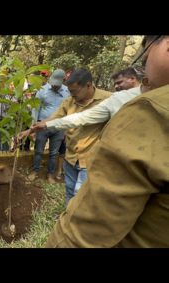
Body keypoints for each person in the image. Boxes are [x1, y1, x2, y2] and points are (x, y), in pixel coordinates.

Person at [46, 35, 169, 247]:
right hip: (72, 156)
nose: (145, 65)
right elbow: (70, 118)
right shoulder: (77, 101)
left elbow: (87, 231)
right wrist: (45, 124)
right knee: (72, 194)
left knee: (82, 197)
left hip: (88, 159)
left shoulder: (146, 108)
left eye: (146, 56)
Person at [23, 68, 111, 203]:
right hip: (71, 157)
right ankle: (68, 219)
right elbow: (53, 118)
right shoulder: (69, 101)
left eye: (74, 92)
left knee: (83, 196)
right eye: (70, 92)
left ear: (88, 85)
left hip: (91, 159)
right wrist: (30, 130)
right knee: (70, 192)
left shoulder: (108, 100)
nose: (71, 95)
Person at [27, 69, 70, 183]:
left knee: (54, 153)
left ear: (63, 80)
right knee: (38, 150)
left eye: (57, 84)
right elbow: (35, 109)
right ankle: (35, 171)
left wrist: (67, 129)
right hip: (42, 125)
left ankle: (50, 174)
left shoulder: (67, 92)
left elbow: (69, 111)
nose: (54, 86)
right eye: (53, 84)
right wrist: (34, 127)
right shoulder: (42, 90)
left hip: (59, 127)